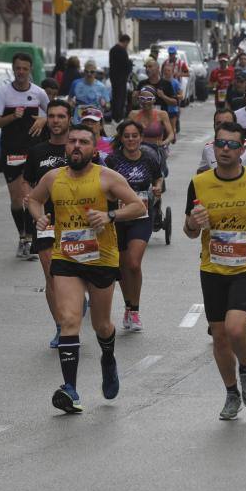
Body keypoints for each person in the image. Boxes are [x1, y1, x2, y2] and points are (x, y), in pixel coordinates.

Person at [27, 124, 147, 413]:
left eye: (83, 142)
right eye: (72, 142)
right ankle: (71, 389)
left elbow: (139, 207)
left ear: (94, 150)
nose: (76, 146)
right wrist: (40, 218)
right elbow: (33, 199)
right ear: (65, 147)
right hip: (66, 257)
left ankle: (108, 358)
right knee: (69, 319)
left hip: (101, 260)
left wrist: (110, 215)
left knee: (101, 325)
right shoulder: (53, 177)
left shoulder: (107, 178)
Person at [184, 122, 246, 420]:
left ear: (242, 150)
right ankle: (231, 392)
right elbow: (189, 231)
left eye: (231, 145)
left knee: (236, 328)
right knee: (219, 335)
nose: (225, 149)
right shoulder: (199, 183)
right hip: (212, 266)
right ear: (213, 148)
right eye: (220, 144)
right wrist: (193, 222)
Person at [0, 52, 49, 259]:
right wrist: (12, 116)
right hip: (11, 150)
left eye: (24, 68)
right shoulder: (4, 93)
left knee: (28, 196)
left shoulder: (39, 93)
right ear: (13, 70)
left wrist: (43, 120)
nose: (21, 72)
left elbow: (56, 114)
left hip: (32, 150)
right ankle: (22, 236)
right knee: (16, 199)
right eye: (18, 68)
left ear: (30, 69)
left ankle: (30, 240)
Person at [105, 120, 163, 332]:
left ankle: (135, 310)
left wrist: (157, 189)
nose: (131, 140)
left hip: (142, 215)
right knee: (121, 267)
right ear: (121, 138)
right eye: (126, 136)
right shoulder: (112, 160)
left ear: (141, 137)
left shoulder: (149, 157)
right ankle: (128, 307)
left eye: (134, 135)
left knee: (133, 264)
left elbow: (158, 179)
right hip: (118, 217)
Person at [24, 99, 71, 348]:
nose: (55, 121)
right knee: (52, 275)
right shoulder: (37, 151)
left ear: (69, 119)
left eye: (60, 116)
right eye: (51, 116)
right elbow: (28, 182)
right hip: (46, 221)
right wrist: (31, 203)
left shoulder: (79, 146)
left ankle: (76, 301)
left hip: (76, 222)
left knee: (75, 275)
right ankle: (61, 327)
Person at [199, 108, 246, 174]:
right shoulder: (208, 149)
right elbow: (201, 171)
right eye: (218, 123)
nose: (222, 127)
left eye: (227, 124)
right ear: (214, 126)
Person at [127, 86, 174, 177]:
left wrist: (164, 142)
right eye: (142, 98)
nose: (145, 102)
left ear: (154, 100)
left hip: (157, 148)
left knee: (159, 174)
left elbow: (171, 134)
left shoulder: (162, 114)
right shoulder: (133, 114)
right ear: (139, 100)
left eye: (149, 99)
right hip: (137, 149)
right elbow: (123, 131)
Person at [109, 34, 133, 122]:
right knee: (121, 98)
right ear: (126, 41)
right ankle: (119, 117)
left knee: (115, 97)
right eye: (127, 43)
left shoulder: (112, 50)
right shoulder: (122, 51)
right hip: (121, 78)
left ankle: (114, 116)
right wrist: (130, 63)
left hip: (113, 78)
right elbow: (126, 66)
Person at [161, 61, 183, 138]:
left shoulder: (175, 83)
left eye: (168, 71)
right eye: (165, 71)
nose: (166, 72)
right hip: (163, 109)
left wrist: (175, 97)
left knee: (171, 128)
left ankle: (173, 136)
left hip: (173, 109)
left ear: (172, 72)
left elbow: (181, 95)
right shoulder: (160, 82)